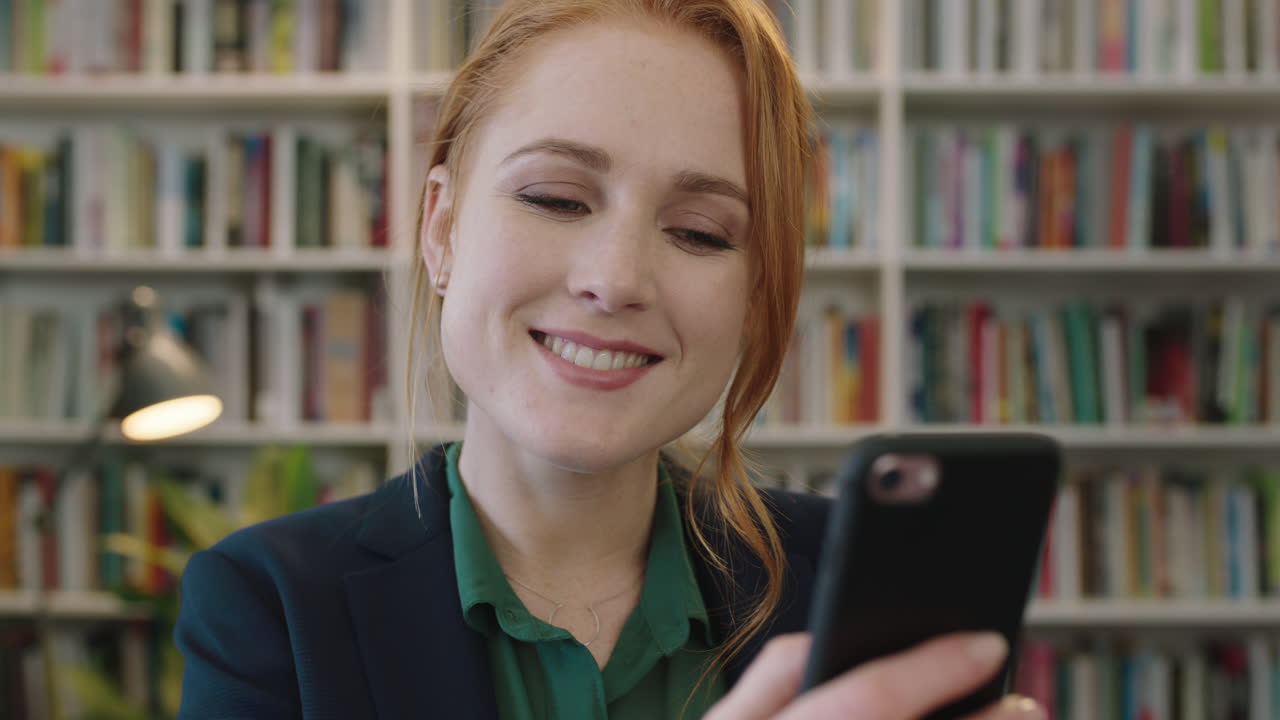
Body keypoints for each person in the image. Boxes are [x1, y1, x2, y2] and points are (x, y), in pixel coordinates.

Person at [173, 1, 1047, 718]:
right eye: (556, 198)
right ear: (441, 228)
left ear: (756, 291)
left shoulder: (855, 593)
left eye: (700, 232)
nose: (617, 279)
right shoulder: (268, 605)